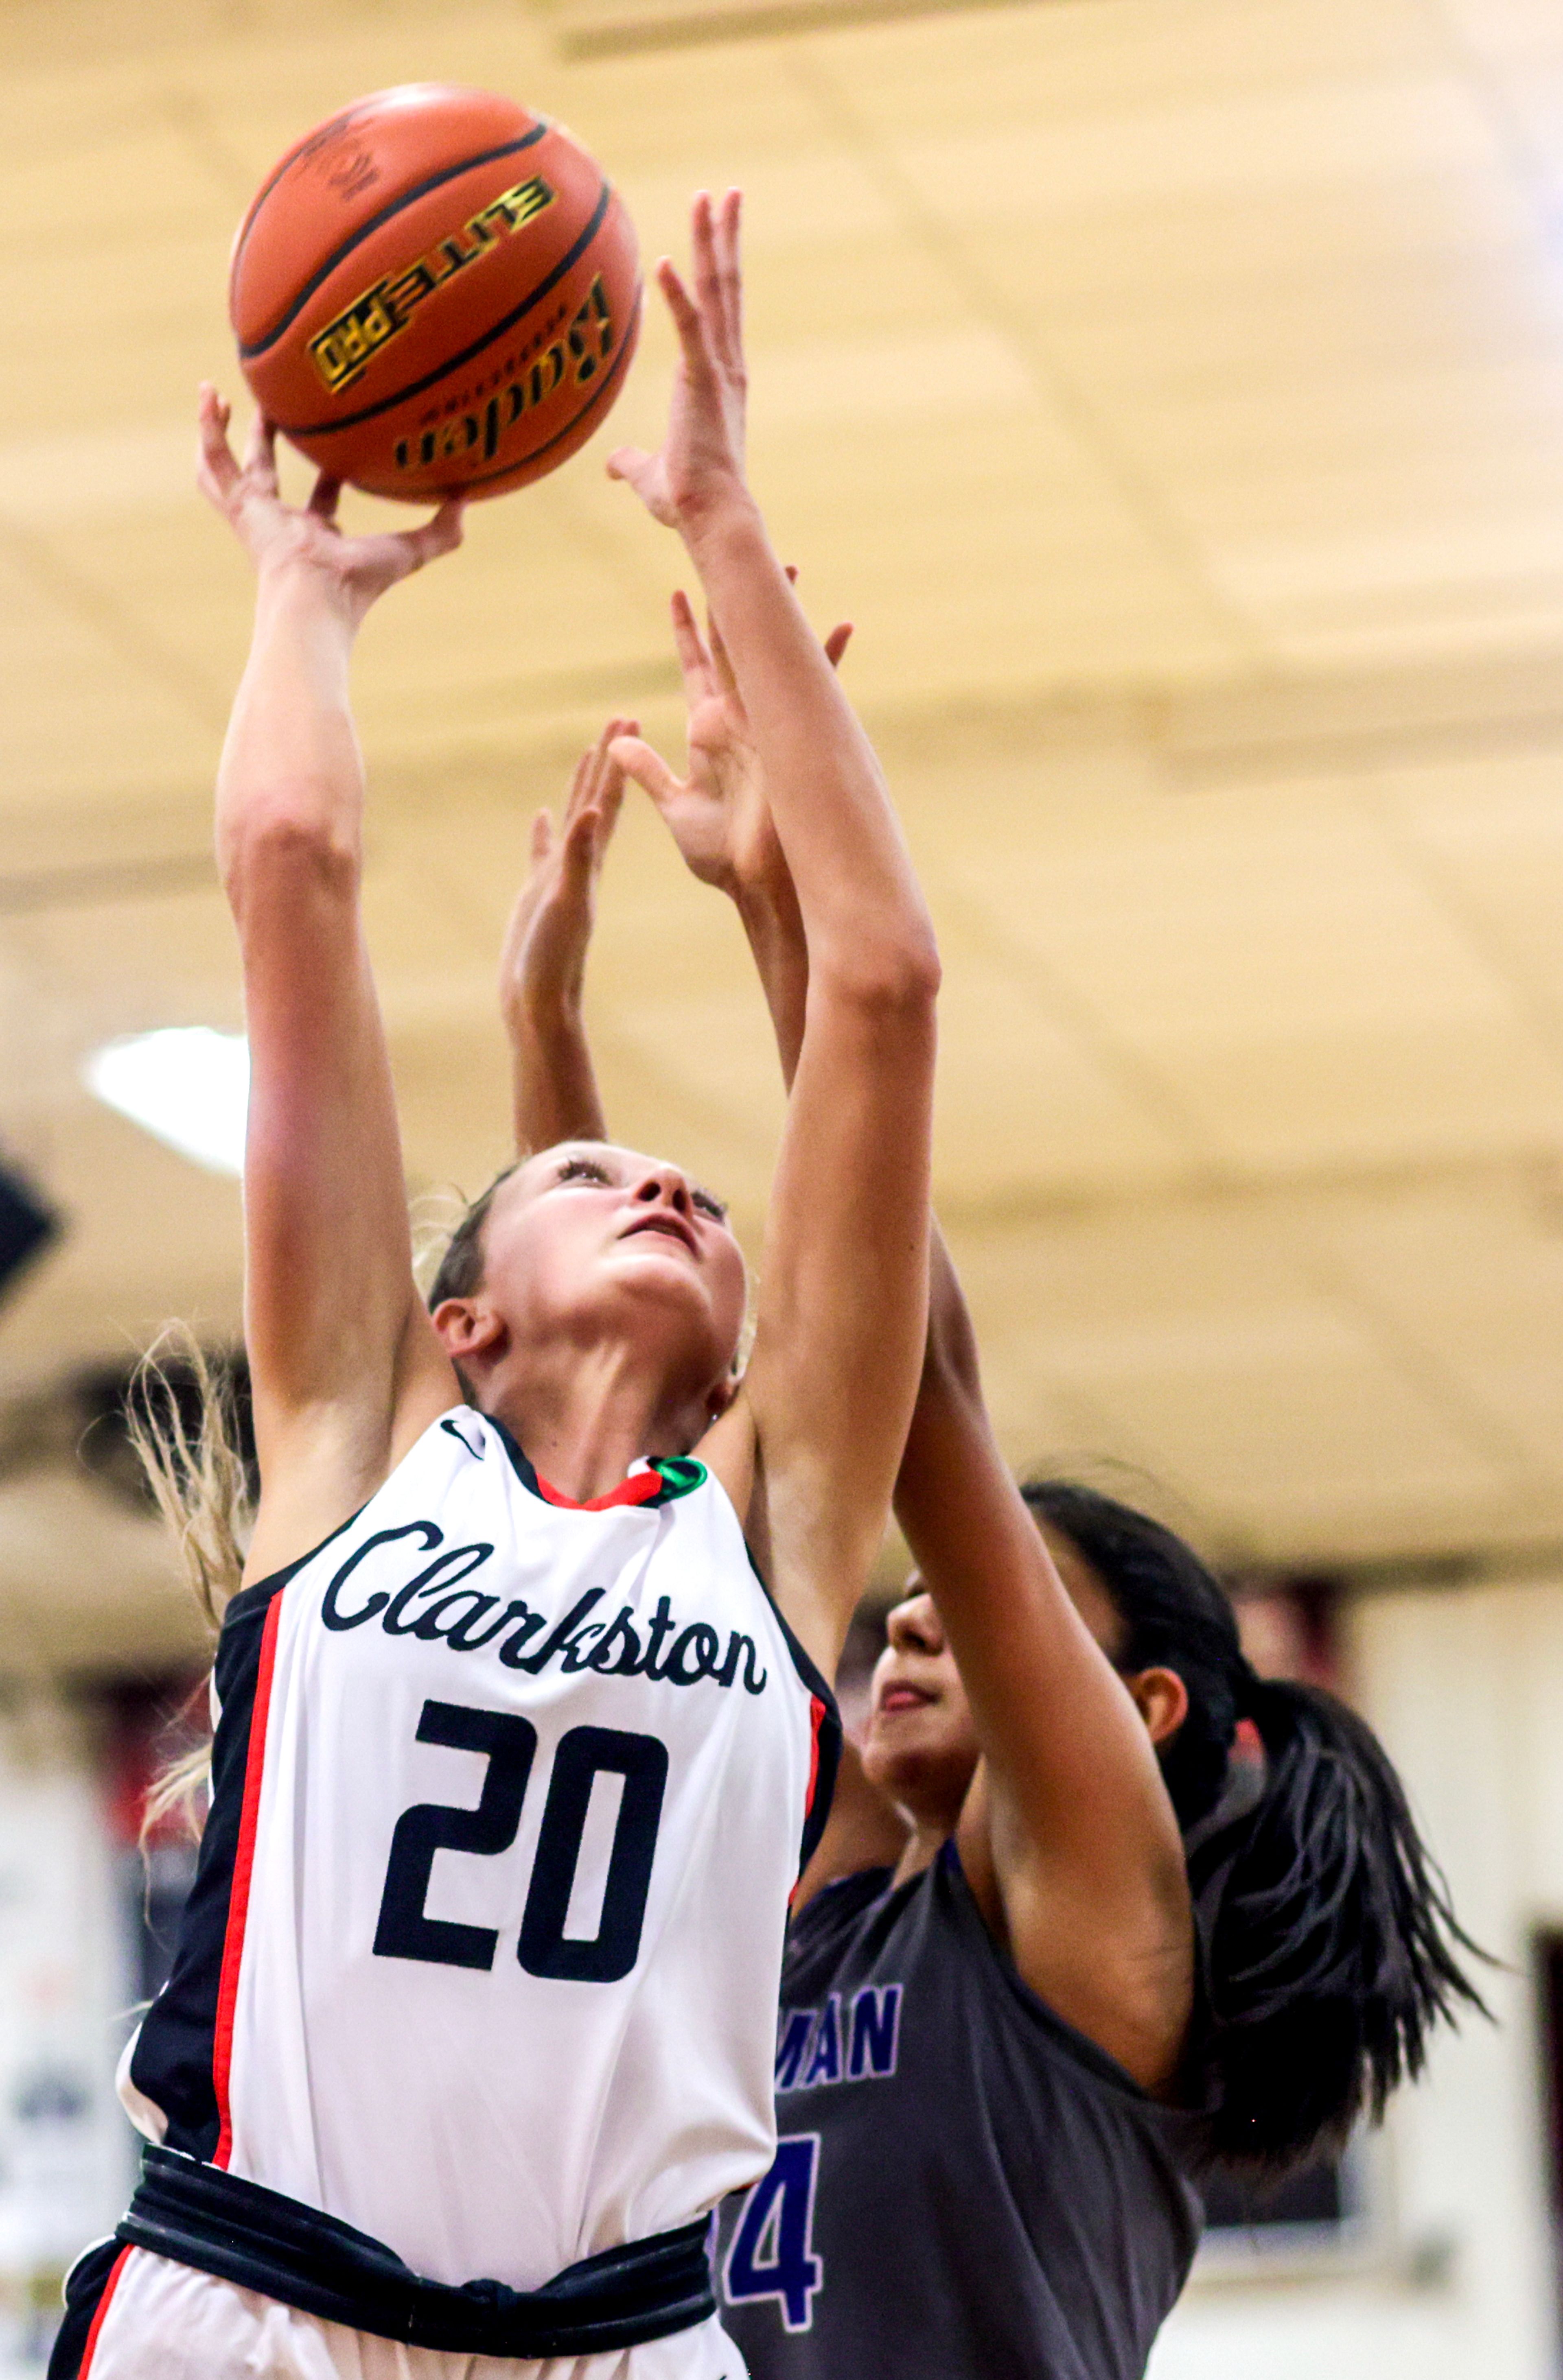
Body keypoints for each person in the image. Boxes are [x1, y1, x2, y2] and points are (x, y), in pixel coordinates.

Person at [52, 191, 940, 2380]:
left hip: (623, 2342)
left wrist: (726, 525)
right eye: (587, 1169)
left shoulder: (781, 1529)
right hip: (249, 2302)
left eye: (694, 1188)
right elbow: (293, 872)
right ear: (462, 1316)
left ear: (753, 1344)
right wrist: (302, 596)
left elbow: (887, 984)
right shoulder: (350, 1452)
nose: (665, 1170)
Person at [504, 590, 1489, 2380]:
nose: (910, 1608)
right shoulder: (843, 1897)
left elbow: (922, 1378)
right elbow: (622, 1508)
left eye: (990, 1592)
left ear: (1138, 1701)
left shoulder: (1104, 1928)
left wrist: (779, 898)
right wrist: (547, 1050)